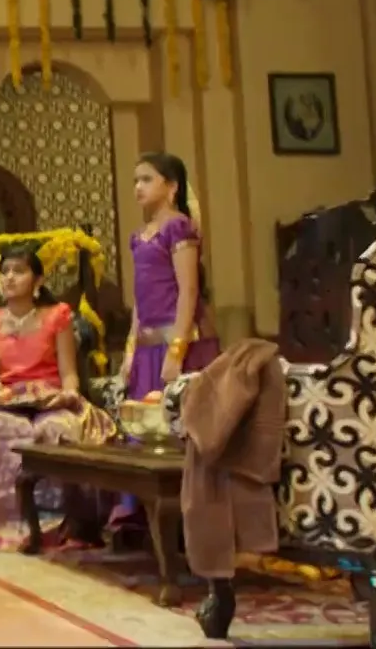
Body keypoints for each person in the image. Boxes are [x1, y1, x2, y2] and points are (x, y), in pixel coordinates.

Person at [0, 249, 114, 551]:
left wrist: (68, 394)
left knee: (56, 429)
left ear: (37, 280)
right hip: (8, 401)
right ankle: (14, 526)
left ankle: (61, 526)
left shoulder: (57, 316)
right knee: (4, 431)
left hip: (50, 398)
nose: (10, 278)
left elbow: (69, 374)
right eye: (5, 271)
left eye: (19, 271)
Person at [112, 152, 218, 525]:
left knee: (180, 434)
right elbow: (139, 302)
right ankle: (141, 520)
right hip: (147, 349)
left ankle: (188, 522)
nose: (138, 187)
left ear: (171, 187)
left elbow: (188, 292)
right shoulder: (138, 237)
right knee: (144, 433)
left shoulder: (179, 228)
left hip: (181, 347)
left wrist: (177, 350)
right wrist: (130, 351)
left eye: (146, 179)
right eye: (135, 181)